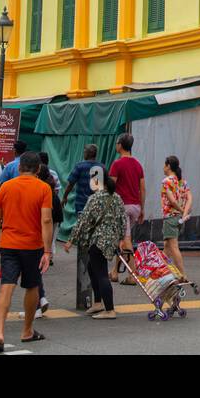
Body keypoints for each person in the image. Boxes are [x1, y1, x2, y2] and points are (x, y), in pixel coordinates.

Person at [0, 150, 53, 351]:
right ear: (39, 169)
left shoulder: (6, 187)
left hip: (8, 244)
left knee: (6, 286)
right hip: (32, 246)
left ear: (18, 167)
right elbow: (46, 219)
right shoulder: (44, 188)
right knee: (32, 286)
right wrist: (48, 251)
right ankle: (27, 331)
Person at [64, 173, 129, 319]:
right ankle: (98, 303)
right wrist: (121, 238)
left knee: (100, 273)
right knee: (92, 269)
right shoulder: (117, 197)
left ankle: (109, 310)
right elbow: (123, 220)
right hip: (111, 240)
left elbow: (83, 220)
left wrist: (71, 240)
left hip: (98, 240)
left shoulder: (94, 198)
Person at [107, 133, 144, 283]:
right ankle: (115, 271)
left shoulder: (117, 164)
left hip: (122, 207)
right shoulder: (137, 164)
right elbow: (142, 188)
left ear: (120, 145)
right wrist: (142, 208)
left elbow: (111, 186)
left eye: (117, 143)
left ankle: (133, 275)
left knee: (126, 240)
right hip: (135, 206)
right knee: (121, 239)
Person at [33, 164, 64, 318]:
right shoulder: (49, 187)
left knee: (32, 270)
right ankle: (41, 298)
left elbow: (46, 219)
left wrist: (46, 250)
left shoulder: (42, 189)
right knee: (34, 269)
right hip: (55, 219)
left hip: (43, 228)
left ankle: (37, 305)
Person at [160, 156, 192, 280]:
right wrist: (184, 213)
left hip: (170, 217)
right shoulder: (182, 182)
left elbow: (172, 201)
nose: (163, 167)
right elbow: (190, 198)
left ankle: (182, 274)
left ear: (168, 166)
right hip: (179, 219)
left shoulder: (166, 182)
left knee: (173, 246)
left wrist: (180, 210)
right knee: (167, 246)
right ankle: (160, 272)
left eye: (164, 164)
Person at [62, 144, 104, 219]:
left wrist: (65, 197)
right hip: (96, 204)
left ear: (87, 154)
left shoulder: (79, 166)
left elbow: (70, 184)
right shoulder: (101, 167)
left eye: (84, 152)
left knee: (82, 226)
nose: (83, 154)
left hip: (81, 204)